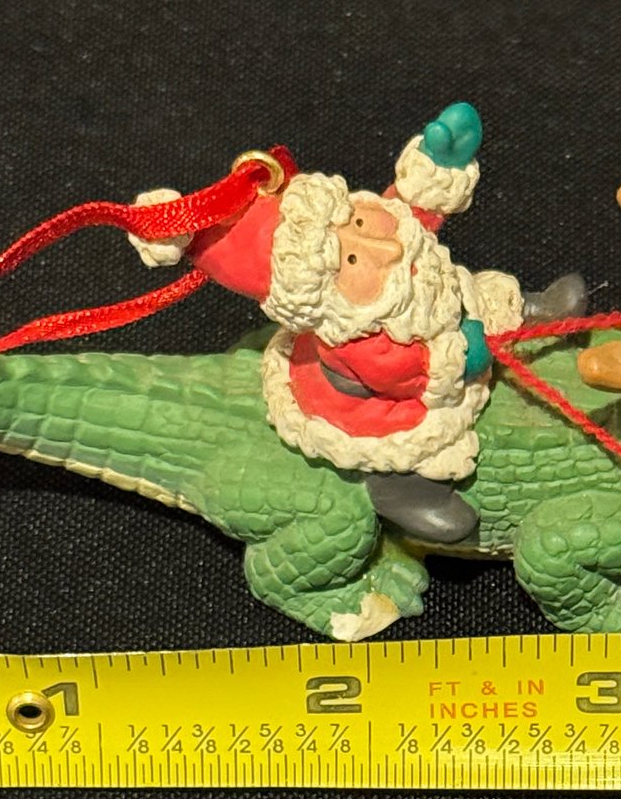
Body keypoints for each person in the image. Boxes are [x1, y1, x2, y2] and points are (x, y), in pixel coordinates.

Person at [131, 103, 582, 543]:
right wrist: (463, 356)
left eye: (361, 222)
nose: (386, 248)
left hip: (440, 313)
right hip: (382, 402)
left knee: (484, 294)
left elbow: (409, 214)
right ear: (322, 298)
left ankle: (537, 309)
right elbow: (406, 374)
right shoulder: (359, 340)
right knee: (406, 449)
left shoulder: (396, 255)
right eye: (351, 259)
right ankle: (403, 494)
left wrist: (438, 163)